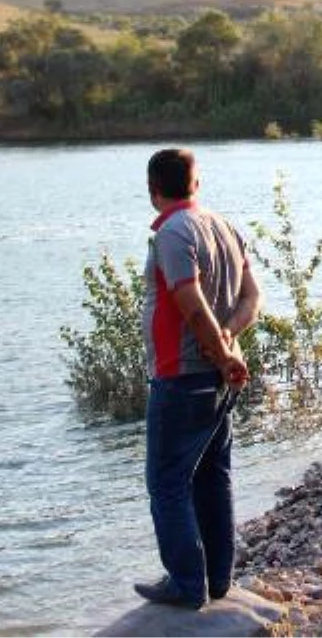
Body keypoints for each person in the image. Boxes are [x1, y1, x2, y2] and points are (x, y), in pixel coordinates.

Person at [134, 148, 262, 608]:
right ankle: (218, 580)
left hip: (183, 375)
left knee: (167, 484)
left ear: (153, 191)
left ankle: (187, 585)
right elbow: (253, 297)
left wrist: (220, 349)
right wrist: (229, 341)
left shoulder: (172, 232)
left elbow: (190, 302)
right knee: (212, 477)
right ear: (196, 183)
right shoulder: (224, 227)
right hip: (219, 376)